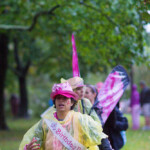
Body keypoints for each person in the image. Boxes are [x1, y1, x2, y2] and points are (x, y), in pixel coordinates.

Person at [19, 82, 107, 150]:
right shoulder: (45, 123)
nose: (61, 101)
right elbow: (36, 143)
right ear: (55, 101)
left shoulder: (82, 120)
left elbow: (101, 137)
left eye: (65, 98)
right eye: (58, 98)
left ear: (72, 102)